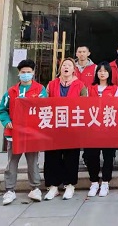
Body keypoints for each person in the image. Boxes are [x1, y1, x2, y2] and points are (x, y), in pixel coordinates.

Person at [0, 59, 47, 205]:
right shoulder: (11, 91)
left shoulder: (40, 90)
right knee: (12, 162)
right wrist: (6, 121)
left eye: (28, 72)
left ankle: (35, 188)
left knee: (33, 162)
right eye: (23, 72)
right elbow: (2, 110)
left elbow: (44, 107)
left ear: (33, 73)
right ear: (19, 73)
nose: (26, 74)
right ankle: (9, 190)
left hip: (32, 134)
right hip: (14, 134)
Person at [44, 58, 87, 201]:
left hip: (72, 126)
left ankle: (70, 185)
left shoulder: (80, 85)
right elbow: (44, 102)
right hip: (54, 126)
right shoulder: (52, 84)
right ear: (60, 68)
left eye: (69, 65)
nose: (66, 67)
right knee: (52, 156)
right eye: (64, 65)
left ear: (74, 69)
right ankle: (53, 186)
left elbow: (85, 104)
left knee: (71, 156)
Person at [85, 62, 118, 198]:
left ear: (109, 73)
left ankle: (105, 182)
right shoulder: (90, 88)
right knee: (91, 156)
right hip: (92, 127)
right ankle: (94, 182)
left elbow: (117, 107)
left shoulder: (114, 89)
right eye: (100, 71)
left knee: (108, 156)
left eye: (105, 71)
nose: (102, 73)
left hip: (108, 127)